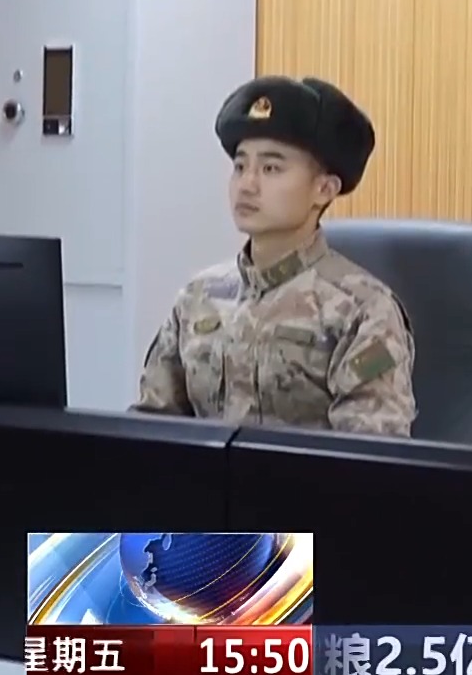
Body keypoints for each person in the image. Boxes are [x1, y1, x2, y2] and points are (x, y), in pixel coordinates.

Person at [132, 76, 416, 436]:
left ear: (324, 189)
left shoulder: (363, 310)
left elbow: (367, 454)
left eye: (271, 169)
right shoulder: (198, 298)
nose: (247, 185)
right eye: (240, 167)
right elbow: (151, 430)